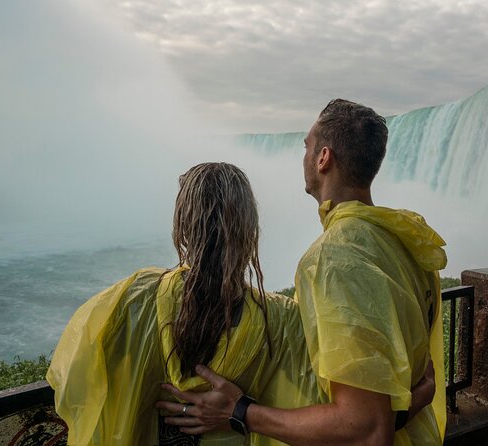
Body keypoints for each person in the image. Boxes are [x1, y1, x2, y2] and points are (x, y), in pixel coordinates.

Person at [47, 162, 437, 445]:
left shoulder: (132, 301)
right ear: (250, 230)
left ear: (183, 227)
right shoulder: (281, 321)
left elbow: (80, 380)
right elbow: (347, 416)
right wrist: (418, 395)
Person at [159, 99, 448, 445]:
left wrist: (238, 412)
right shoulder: (405, 242)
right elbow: (394, 390)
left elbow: (367, 428)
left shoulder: (334, 260)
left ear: (323, 158)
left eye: (307, 147)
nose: (304, 156)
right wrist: (419, 397)